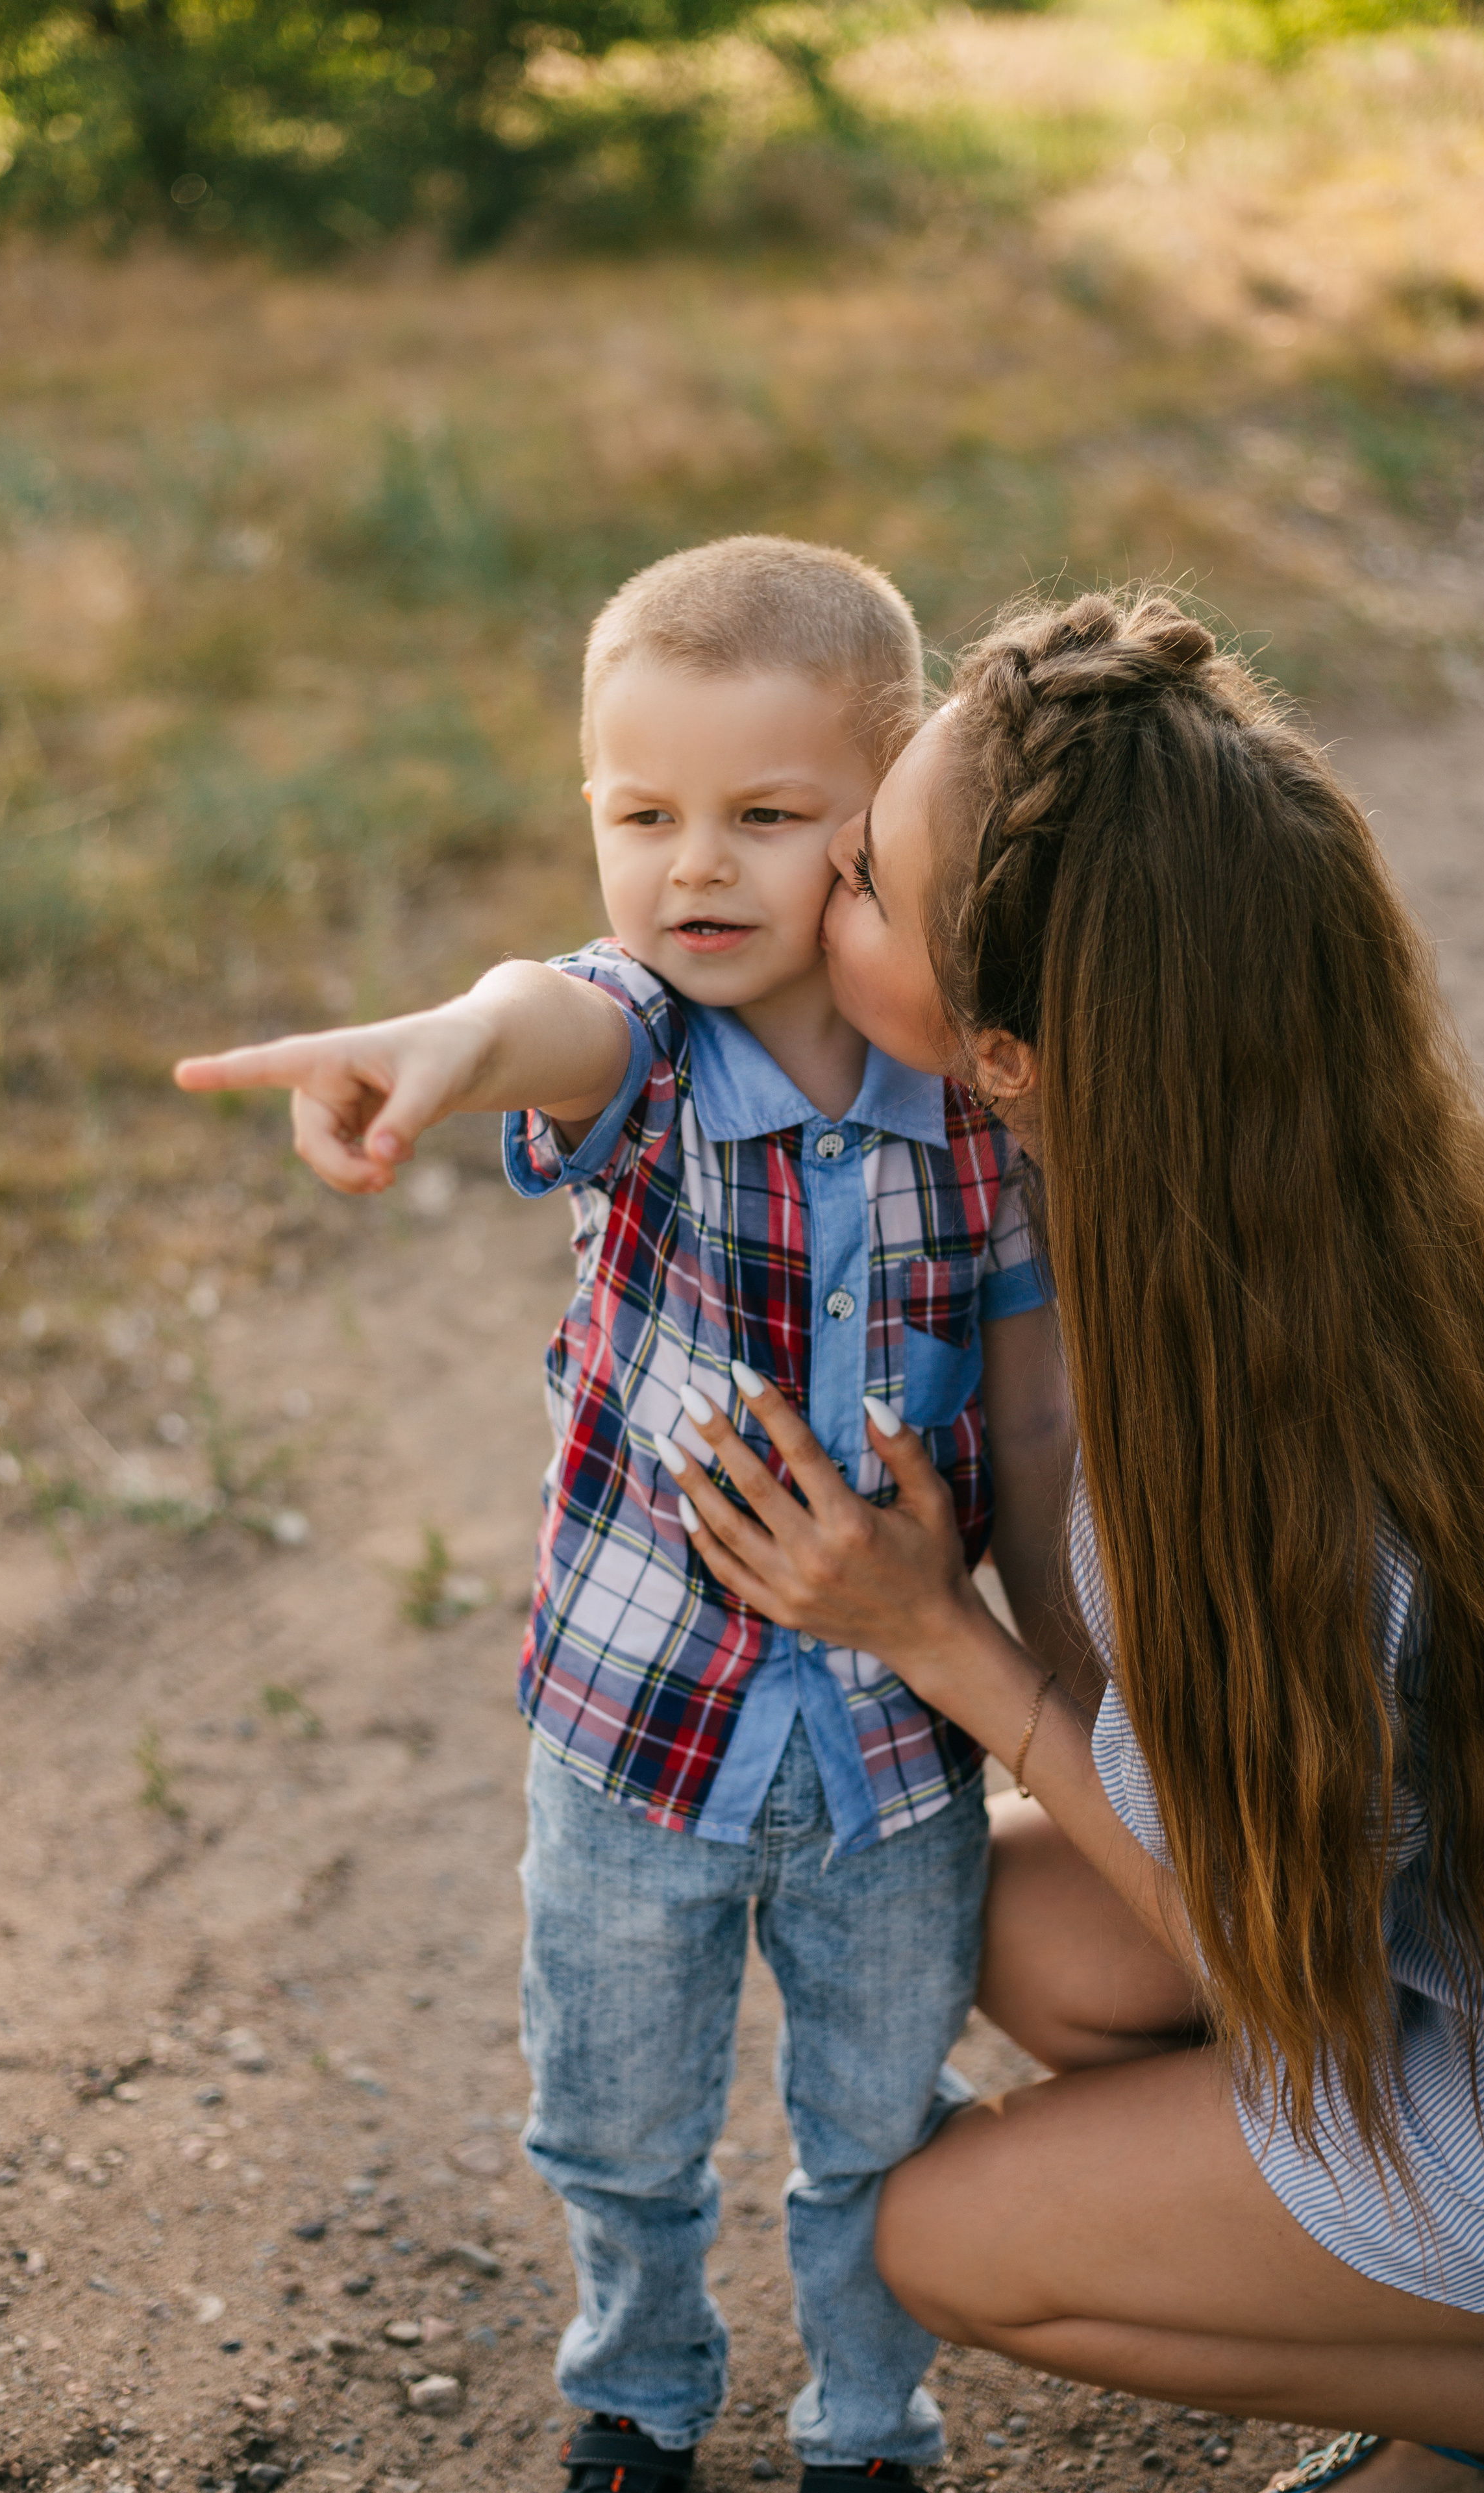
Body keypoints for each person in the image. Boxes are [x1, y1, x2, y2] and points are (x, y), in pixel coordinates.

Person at [173, 537, 1087, 2493]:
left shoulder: (979, 1112)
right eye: (642, 816)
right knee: (615, 2120)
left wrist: (1073, 1678)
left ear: (885, 816)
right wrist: (441, 1049)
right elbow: (543, 1012)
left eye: (767, 816)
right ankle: (638, 2395)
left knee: (880, 2123)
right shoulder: (653, 1051)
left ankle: (869, 2426)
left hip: (894, 1755)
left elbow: (1032, 1415)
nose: (696, 871)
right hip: (635, 1728)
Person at [648, 589, 1484, 2486]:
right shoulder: (1362, 1199)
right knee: (1020, 1930)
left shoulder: (1264, 1433)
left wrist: (932, 1634)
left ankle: (1482, 2401)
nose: (816, 885)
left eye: (863, 880)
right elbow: (1185, 1766)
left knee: (949, 2242)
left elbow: (1262, 1947)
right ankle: (1427, 2349)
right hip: (1475, 1935)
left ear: (1008, 1056)